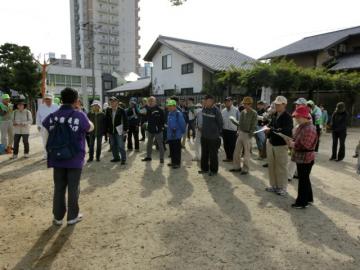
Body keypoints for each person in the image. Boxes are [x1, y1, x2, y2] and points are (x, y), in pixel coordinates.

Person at [42, 87, 94, 226]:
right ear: (76, 100)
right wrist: (80, 110)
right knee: (73, 187)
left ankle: (58, 217)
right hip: (74, 157)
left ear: (62, 99)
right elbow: (90, 128)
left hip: (57, 157)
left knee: (59, 187)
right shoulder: (79, 115)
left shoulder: (53, 115)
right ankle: (72, 216)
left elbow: (45, 129)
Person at [288, 105, 318, 209]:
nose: (296, 118)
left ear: (304, 116)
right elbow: (297, 138)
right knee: (304, 179)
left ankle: (302, 202)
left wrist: (293, 144)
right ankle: (308, 198)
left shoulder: (309, 128)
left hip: (306, 158)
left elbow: (306, 144)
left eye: (297, 116)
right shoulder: (302, 126)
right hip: (302, 157)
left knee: (303, 180)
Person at [265, 96, 293, 196]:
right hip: (271, 142)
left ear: (284, 105)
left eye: (278, 104)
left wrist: (271, 129)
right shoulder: (274, 115)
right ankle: (273, 185)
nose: (276, 105)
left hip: (281, 145)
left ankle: (282, 187)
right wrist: (267, 129)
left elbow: (286, 130)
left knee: (281, 167)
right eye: (275, 104)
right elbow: (271, 126)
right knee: (271, 166)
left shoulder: (288, 117)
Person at [230, 97, 257, 175]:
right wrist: (238, 130)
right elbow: (240, 123)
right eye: (244, 104)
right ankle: (236, 167)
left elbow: (254, 125)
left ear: (250, 104)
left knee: (246, 153)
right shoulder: (242, 112)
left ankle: (245, 169)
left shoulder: (254, 113)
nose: (245, 105)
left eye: (246, 104)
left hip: (248, 134)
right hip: (241, 133)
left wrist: (250, 134)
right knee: (236, 151)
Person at [198, 95, 223, 176]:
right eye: (205, 101)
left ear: (212, 102)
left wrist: (217, 134)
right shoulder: (204, 109)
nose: (206, 102)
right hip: (204, 136)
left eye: (208, 101)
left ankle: (214, 170)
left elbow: (220, 123)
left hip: (213, 137)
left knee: (213, 155)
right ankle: (204, 169)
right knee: (204, 153)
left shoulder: (216, 111)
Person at [288, 97, 308, 181]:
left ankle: (289, 176)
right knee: (294, 157)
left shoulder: (307, 115)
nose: (296, 105)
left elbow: (306, 129)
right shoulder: (296, 112)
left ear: (304, 105)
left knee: (294, 157)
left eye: (298, 104)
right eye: (296, 104)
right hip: (294, 137)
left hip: (299, 139)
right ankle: (296, 173)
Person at [142, 96, 165, 164]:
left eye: (152, 101)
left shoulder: (160, 110)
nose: (151, 102)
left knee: (160, 144)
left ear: (155, 101)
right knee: (149, 144)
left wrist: (160, 127)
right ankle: (148, 157)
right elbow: (143, 116)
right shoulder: (147, 109)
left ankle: (161, 158)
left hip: (158, 130)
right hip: (150, 130)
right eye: (149, 101)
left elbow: (163, 120)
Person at [105, 96, 128, 164]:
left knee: (121, 145)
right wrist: (106, 131)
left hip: (119, 130)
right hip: (110, 130)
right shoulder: (108, 110)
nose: (112, 103)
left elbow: (125, 120)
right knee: (112, 145)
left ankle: (123, 159)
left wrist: (125, 130)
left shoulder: (121, 110)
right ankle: (116, 157)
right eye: (111, 101)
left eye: (114, 101)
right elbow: (106, 121)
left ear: (117, 102)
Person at [36, 93, 59, 160]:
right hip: (44, 127)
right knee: (45, 141)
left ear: (52, 99)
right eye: (46, 99)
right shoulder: (41, 106)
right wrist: (38, 125)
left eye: (49, 99)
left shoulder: (56, 106)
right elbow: (38, 117)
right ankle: (46, 154)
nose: (48, 100)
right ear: (44, 100)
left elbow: (59, 116)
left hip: (54, 127)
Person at [166, 99, 186, 169]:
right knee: (172, 150)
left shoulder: (178, 113)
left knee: (177, 150)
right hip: (170, 135)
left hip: (176, 135)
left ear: (175, 106)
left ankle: (177, 163)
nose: (169, 107)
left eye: (171, 106)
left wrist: (182, 132)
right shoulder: (169, 113)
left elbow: (183, 124)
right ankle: (173, 162)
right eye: (168, 106)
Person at [221, 97, 240, 162]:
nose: (227, 103)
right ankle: (228, 157)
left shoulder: (236, 110)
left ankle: (233, 158)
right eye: (226, 102)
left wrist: (238, 130)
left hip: (233, 131)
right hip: (225, 130)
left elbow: (239, 121)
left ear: (231, 102)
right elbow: (221, 121)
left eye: (229, 101)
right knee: (226, 145)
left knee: (232, 145)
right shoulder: (223, 111)